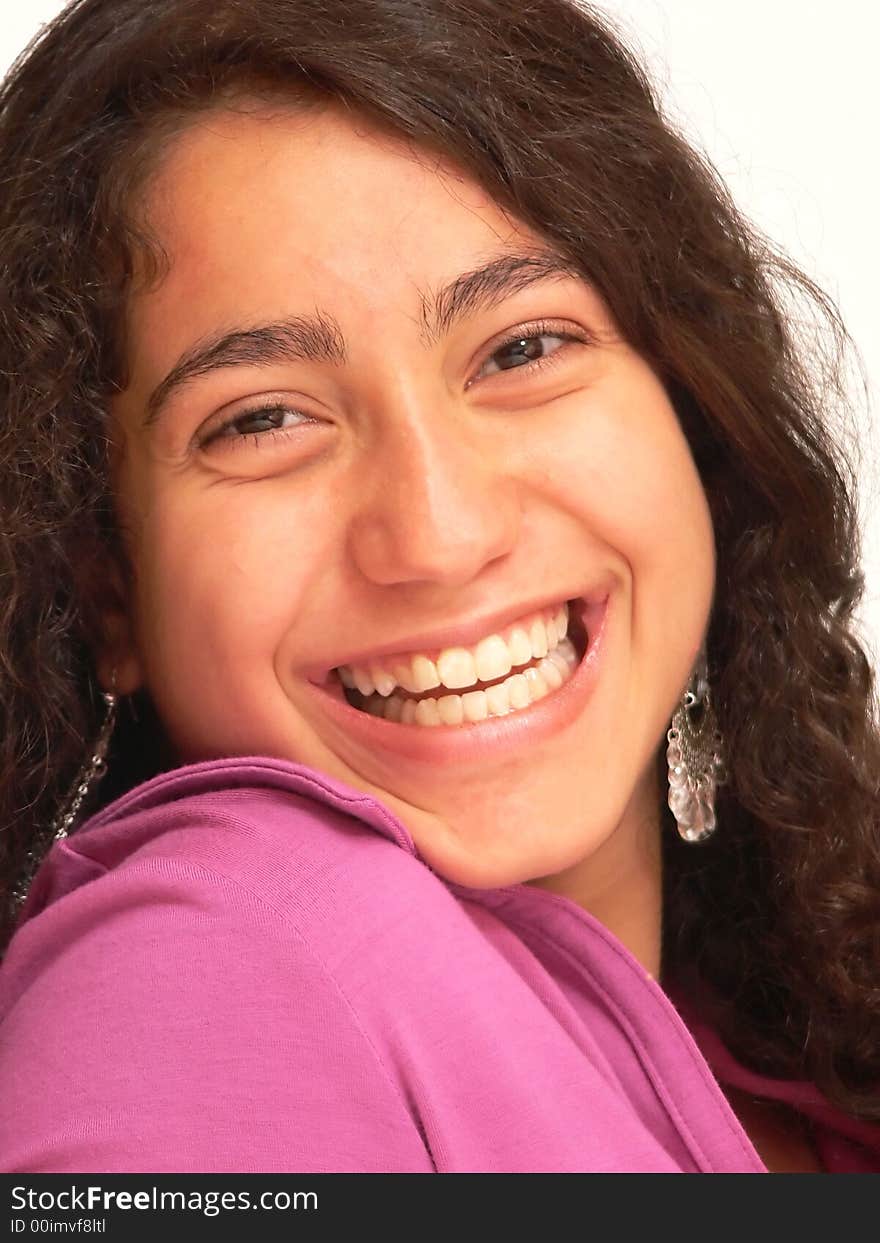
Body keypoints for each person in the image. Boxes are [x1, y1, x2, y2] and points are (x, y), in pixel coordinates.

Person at [0, 0, 878, 1175]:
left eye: (522, 349)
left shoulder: (791, 1012)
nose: (439, 532)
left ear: (691, 416)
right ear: (105, 587)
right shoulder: (205, 961)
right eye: (262, 419)